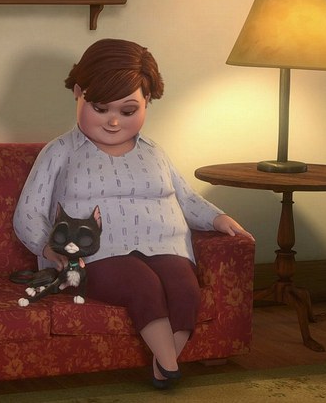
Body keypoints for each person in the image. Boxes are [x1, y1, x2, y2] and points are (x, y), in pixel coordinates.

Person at [13, 38, 254, 390]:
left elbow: (186, 198)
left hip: (165, 247)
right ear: (78, 93)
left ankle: (164, 363)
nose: (113, 121)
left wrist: (218, 219)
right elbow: (29, 212)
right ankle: (170, 365)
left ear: (147, 101)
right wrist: (48, 249)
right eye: (100, 108)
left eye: (128, 111)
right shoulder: (60, 152)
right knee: (143, 285)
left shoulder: (155, 152)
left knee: (185, 290)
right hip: (94, 256)